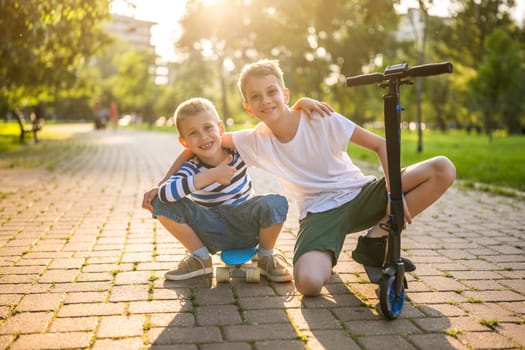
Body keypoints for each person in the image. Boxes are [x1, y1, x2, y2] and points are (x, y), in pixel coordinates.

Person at [151, 59, 456, 296]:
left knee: (442, 168)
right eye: (256, 97)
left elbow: (380, 144)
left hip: (362, 194)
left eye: (272, 92)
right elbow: (202, 145)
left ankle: (375, 239)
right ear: (248, 106)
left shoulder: (320, 117)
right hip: (319, 213)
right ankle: (330, 250)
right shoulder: (255, 139)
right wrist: (163, 184)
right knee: (309, 284)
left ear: (285, 94)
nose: (266, 100)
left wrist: (393, 197)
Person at [143, 97, 330, 282]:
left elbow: (270, 133)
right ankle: (201, 259)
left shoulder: (239, 151)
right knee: (159, 201)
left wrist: (296, 107)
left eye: (208, 128)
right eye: (193, 133)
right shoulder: (191, 167)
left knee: (275, 203)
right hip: (210, 230)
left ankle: (265, 257)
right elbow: (166, 194)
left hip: (246, 226)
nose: (204, 137)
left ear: (221, 128)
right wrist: (210, 175)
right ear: (184, 142)